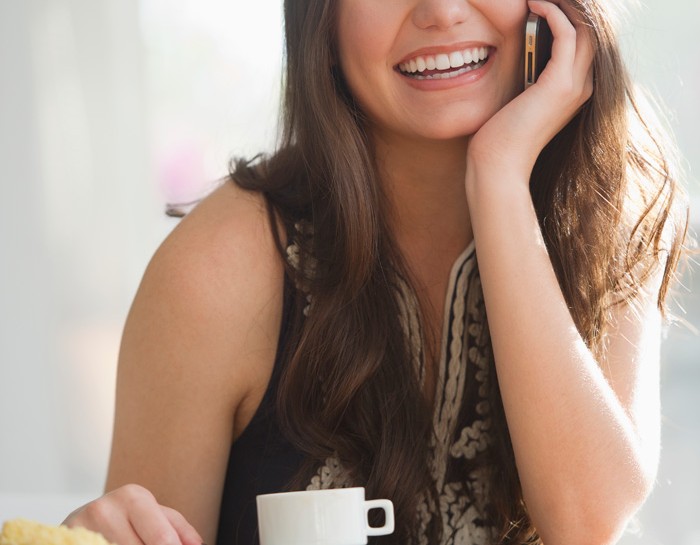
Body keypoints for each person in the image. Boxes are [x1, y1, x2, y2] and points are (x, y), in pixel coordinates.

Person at [63, 0, 689, 544]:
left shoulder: (614, 207)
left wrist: (497, 177)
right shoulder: (219, 267)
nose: (440, 11)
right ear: (321, 22)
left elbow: (585, 526)